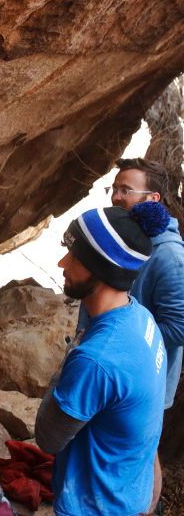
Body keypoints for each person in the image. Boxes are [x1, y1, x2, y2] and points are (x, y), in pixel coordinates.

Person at [35, 202, 169, 515]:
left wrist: (72, 355)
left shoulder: (96, 359)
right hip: (129, 491)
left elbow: (48, 438)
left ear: (103, 269)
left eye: (76, 256)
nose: (61, 262)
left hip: (94, 506)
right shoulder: (142, 319)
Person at [78, 158, 184, 509]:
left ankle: (143, 507)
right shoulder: (132, 239)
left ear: (152, 199)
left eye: (126, 190)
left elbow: (180, 325)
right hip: (113, 369)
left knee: (143, 453)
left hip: (146, 375)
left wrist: (128, 336)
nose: (116, 196)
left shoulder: (168, 255)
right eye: (114, 188)